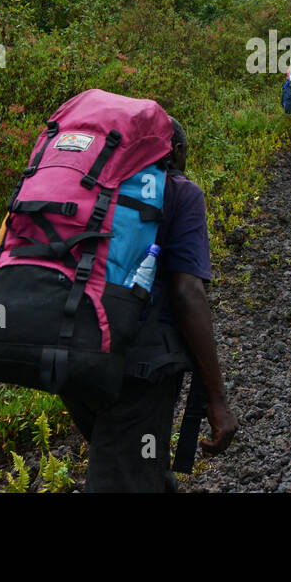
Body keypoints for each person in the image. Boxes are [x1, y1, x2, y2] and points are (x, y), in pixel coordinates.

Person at [61, 117, 238, 491]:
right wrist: (217, 399)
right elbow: (186, 291)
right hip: (138, 365)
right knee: (124, 474)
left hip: (69, 351)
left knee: (133, 463)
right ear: (173, 152)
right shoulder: (178, 191)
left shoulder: (91, 187)